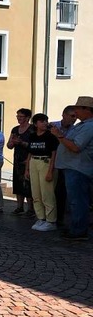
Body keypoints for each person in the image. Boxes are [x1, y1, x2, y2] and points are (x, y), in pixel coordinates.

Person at [51, 96, 93, 241]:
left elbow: (75, 147)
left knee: (78, 200)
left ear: (87, 110)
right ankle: (76, 228)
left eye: (77, 108)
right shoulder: (82, 125)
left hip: (78, 168)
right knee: (75, 200)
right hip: (72, 167)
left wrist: (59, 136)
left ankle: (79, 231)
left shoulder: (88, 127)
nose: (75, 112)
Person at [25, 113, 60, 232]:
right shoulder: (33, 136)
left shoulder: (50, 136)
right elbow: (29, 152)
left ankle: (51, 220)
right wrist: (27, 169)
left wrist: (50, 171)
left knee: (47, 193)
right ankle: (41, 217)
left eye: (46, 121)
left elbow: (54, 153)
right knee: (36, 193)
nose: (44, 123)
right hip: (34, 161)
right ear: (35, 124)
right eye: (41, 121)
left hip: (46, 161)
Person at [49, 106, 77, 228]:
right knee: (50, 191)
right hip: (51, 162)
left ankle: (60, 218)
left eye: (75, 116)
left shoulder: (75, 129)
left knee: (63, 192)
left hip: (67, 164)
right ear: (63, 115)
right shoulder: (52, 126)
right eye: (72, 116)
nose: (74, 119)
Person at [7, 108, 34, 217]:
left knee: (28, 185)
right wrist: (13, 143)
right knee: (18, 183)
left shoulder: (32, 129)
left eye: (21, 116)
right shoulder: (15, 129)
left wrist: (21, 142)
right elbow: (9, 146)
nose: (18, 118)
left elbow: (33, 146)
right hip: (17, 159)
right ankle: (19, 206)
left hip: (28, 159)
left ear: (27, 118)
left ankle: (30, 209)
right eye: (17, 116)